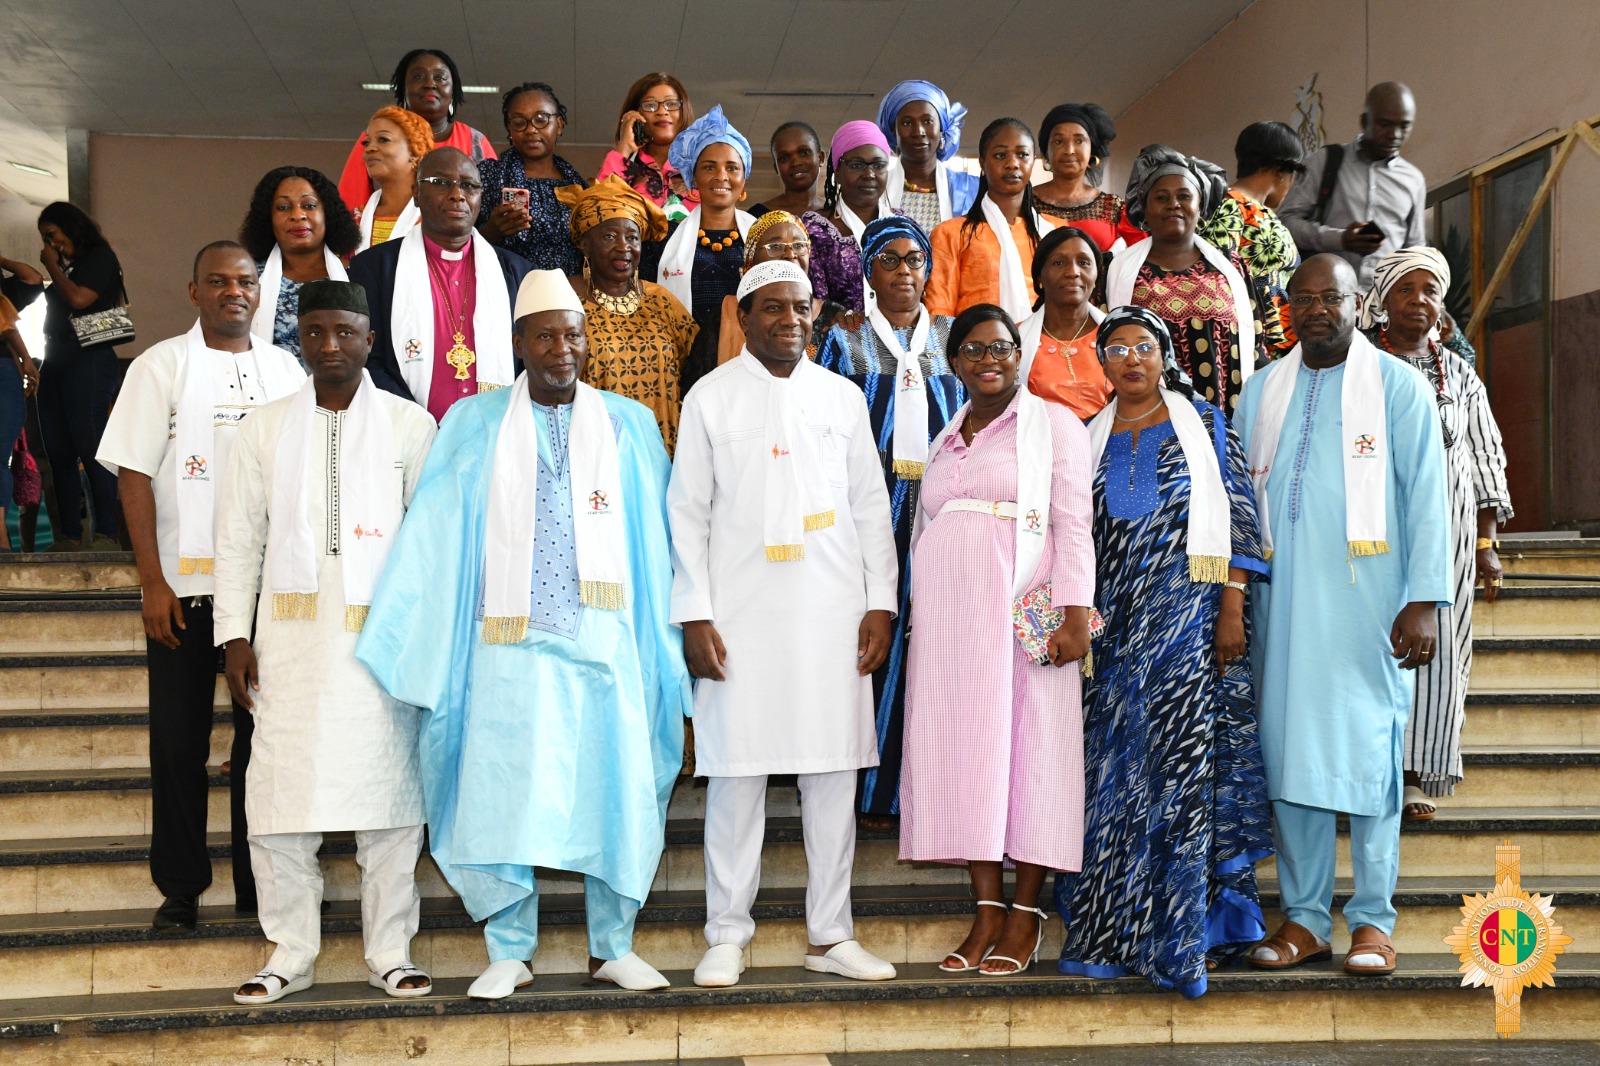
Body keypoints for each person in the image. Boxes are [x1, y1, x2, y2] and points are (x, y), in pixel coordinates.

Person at [357, 269, 689, 998]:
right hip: (505, 646)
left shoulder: (629, 424)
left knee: (618, 786)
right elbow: (436, 534)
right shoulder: (473, 424)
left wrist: (669, 639)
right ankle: (510, 948)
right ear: (518, 343)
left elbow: (660, 540)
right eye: (546, 335)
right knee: (501, 791)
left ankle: (614, 946)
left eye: (573, 335)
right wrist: (412, 629)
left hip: (605, 639)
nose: (561, 349)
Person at [669, 259, 899, 988]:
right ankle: (726, 934)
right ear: (744, 313)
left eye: (801, 308)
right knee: (737, 775)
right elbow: (687, 515)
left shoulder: (842, 397)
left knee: (831, 775)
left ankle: (830, 935)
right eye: (773, 309)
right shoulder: (709, 397)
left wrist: (881, 602)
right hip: (739, 615)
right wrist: (694, 614)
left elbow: (869, 504)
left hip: (831, 611)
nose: (789, 322)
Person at [215, 279, 436, 1005]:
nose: (330, 346)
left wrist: (426, 643)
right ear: (299, 340)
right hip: (289, 640)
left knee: (391, 806)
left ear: (370, 339)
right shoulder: (263, 427)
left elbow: (430, 547)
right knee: (280, 803)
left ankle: (389, 952)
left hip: (383, 646)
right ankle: (290, 952)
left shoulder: (411, 427)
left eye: (345, 332)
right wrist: (232, 637)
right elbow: (239, 538)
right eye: (316, 333)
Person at [1237, 254, 1451, 977]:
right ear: (1286, 307)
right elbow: (1242, 508)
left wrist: (1424, 597)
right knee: (1290, 757)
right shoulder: (1261, 389)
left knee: (1368, 759)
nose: (1317, 308)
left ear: (1361, 304)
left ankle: (1372, 922)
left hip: (1371, 602)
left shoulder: (1398, 387)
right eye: (1303, 298)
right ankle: (1303, 919)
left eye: (1332, 297)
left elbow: (1428, 497)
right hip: (1282, 608)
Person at [1055, 306, 1272, 996]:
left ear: (1163, 353)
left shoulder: (1204, 423)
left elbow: (1239, 515)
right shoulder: (1084, 437)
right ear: (1102, 363)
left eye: (1142, 347)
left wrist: (1232, 606)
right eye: (1114, 349)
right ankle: (1116, 928)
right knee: (1116, 778)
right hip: (1112, 643)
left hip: (1189, 628)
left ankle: (1184, 937)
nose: (1129, 360)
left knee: (1180, 776)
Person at [95, 241, 305, 932]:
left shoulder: (284, 369)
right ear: (194, 292)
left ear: (258, 291)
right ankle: (181, 886)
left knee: (263, 744)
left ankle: (259, 886)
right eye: (217, 281)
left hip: (266, 596)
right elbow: (132, 474)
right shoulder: (162, 366)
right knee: (178, 742)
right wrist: (151, 582)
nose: (233, 292)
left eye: (245, 281)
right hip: (184, 590)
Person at [898, 303, 1093, 976]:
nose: (989, 359)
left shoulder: (1054, 426)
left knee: (1033, 753)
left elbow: (1073, 521)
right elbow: (930, 528)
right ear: (955, 364)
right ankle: (985, 909)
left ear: (1021, 353)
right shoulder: (948, 437)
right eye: (974, 350)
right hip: (954, 628)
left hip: (1026, 615)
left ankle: (1027, 914)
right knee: (969, 755)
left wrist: (1075, 612)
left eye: (1002, 347)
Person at [815, 216, 961, 828]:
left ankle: (928, 788)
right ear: (869, 273)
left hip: (944, 514)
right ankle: (865, 793)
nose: (904, 271)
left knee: (935, 645)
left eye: (915, 260)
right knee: (870, 642)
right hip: (866, 512)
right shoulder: (843, 343)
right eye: (889, 260)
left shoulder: (955, 336)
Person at [1359, 248, 1512, 818]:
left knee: (1441, 650)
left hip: (1448, 535)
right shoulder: (1360, 367)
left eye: (1429, 291)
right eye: (1406, 290)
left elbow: (1484, 457)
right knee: (1374, 647)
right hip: (1374, 529)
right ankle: (1372, 767)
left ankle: (1418, 773)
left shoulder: (1460, 374)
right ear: (1384, 300)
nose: (1418, 302)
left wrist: (1487, 544)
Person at [348, 147, 535, 422]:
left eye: (469, 185)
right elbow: (368, 359)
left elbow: (526, 362)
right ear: (416, 194)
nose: (457, 194)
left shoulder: (517, 272)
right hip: (404, 433)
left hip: (495, 432)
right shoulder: (374, 269)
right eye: (440, 183)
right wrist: (415, 425)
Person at [1106, 146, 1263, 413]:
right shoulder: (1118, 270)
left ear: (1200, 206)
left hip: (1228, 411)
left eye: (1184, 196)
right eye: (1161, 197)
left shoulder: (1231, 266)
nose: (1173, 204)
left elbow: (1257, 342)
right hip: (1151, 417)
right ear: (1143, 207)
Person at [559, 176, 696, 452]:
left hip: (661, 451)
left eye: (632, 237)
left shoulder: (662, 301)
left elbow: (694, 368)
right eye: (609, 236)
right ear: (585, 244)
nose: (624, 247)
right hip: (594, 452)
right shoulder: (563, 298)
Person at [679, 210, 857, 397]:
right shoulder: (727, 315)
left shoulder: (837, 317)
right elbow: (697, 388)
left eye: (799, 245)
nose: (790, 254)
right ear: (751, 258)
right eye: (775, 246)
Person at [35, 202, 127, 551]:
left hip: (88, 357)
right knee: (58, 451)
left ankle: (106, 534)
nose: (50, 244)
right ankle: (69, 535)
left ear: (71, 228)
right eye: (45, 239)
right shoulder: (69, 268)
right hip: (55, 357)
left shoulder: (99, 259)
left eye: (53, 236)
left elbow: (79, 299)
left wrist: (51, 267)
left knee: (90, 445)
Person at [1278, 82, 1426, 288]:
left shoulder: (1413, 180)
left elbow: (1415, 251)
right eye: (1385, 124)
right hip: (1330, 300)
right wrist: (1339, 239)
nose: (1395, 134)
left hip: (1385, 306)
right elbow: (1285, 223)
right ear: (1364, 121)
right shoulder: (1325, 162)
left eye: (1404, 126)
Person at [337, 49, 497, 215]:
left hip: (460, 236)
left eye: (440, 77)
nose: (430, 84)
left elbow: (493, 205)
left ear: (453, 90)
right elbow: (350, 207)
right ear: (403, 89)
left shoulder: (475, 141)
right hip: (386, 235)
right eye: (418, 77)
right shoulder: (374, 137)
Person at [1199, 121, 1306, 357]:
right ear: (1281, 172)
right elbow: (1217, 279)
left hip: (1273, 341)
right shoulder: (1231, 207)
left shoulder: (1255, 210)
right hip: (1249, 343)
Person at [655, 106, 757, 342]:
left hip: (749, 359)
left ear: (743, 178)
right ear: (694, 178)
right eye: (709, 167)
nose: (721, 175)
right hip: (684, 362)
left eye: (732, 168)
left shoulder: (762, 237)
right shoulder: (664, 238)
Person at [240, 166, 360, 365]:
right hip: (265, 392)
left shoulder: (357, 275)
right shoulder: (248, 277)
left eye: (309, 205)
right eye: (283, 207)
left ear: (327, 214)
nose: (298, 215)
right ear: (268, 219)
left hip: (339, 393)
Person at [476, 82, 588, 275]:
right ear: (509, 130)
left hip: (569, 293)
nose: (531, 129)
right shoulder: (488, 176)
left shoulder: (578, 185)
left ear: (559, 125)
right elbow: (457, 242)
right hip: (510, 291)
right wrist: (491, 231)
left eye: (541, 119)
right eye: (519, 123)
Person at [1016, 226, 1111, 419]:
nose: (1073, 272)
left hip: (1114, 445)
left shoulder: (1121, 336)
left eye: (1084, 263)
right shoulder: (1014, 338)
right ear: (1039, 277)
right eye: (1059, 263)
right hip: (1039, 445)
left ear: (1097, 276)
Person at [1030, 103, 1143, 251]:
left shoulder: (1113, 207)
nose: (1069, 150)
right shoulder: (1025, 203)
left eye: (1079, 141)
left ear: (1092, 150)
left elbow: (1139, 259)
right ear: (1046, 151)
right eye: (1059, 141)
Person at [875, 79, 979, 233]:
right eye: (907, 123)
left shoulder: (973, 189)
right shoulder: (875, 188)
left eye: (927, 121)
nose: (919, 132)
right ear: (893, 131)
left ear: (941, 128)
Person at [598, 73, 694, 219]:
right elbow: (598, 209)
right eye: (650, 105)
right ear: (635, 114)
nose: (662, 111)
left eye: (672, 104)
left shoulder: (700, 164)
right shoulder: (626, 164)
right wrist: (624, 147)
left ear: (683, 111)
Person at [354, 107, 433, 254]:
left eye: (383, 140)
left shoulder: (435, 218)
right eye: (366, 143)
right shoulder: (354, 221)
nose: (369, 148)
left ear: (415, 152)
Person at [749, 121, 822, 216]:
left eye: (804, 153)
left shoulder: (838, 214)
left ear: (821, 158)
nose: (796, 163)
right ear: (777, 169)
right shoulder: (756, 216)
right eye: (784, 158)